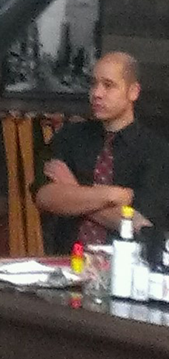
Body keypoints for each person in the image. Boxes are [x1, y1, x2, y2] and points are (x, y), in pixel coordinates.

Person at [33, 51, 169, 253]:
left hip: (126, 263)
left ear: (133, 92)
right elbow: (44, 197)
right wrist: (113, 195)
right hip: (67, 261)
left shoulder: (156, 151)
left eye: (108, 85)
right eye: (93, 84)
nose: (96, 93)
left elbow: (139, 224)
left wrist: (74, 189)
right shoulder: (70, 136)